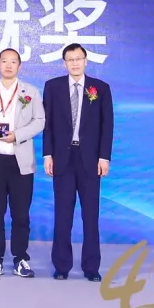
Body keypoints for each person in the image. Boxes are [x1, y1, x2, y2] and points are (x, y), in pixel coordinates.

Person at [42, 42, 114, 281]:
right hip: (62, 159)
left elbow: (107, 126)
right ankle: (62, 266)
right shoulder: (52, 87)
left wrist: (104, 157)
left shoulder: (100, 88)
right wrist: (47, 154)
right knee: (63, 216)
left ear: (85, 61)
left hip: (90, 161)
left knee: (90, 216)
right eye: (70, 59)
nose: (74, 63)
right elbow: (48, 125)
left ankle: (91, 268)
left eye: (78, 58)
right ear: (64, 63)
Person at [0, 48, 45, 278]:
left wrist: (18, 135)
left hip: (20, 160)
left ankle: (20, 258)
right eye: (4, 61)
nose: (8, 65)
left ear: (19, 66)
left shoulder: (31, 92)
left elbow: (40, 121)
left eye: (13, 62)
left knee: (21, 214)